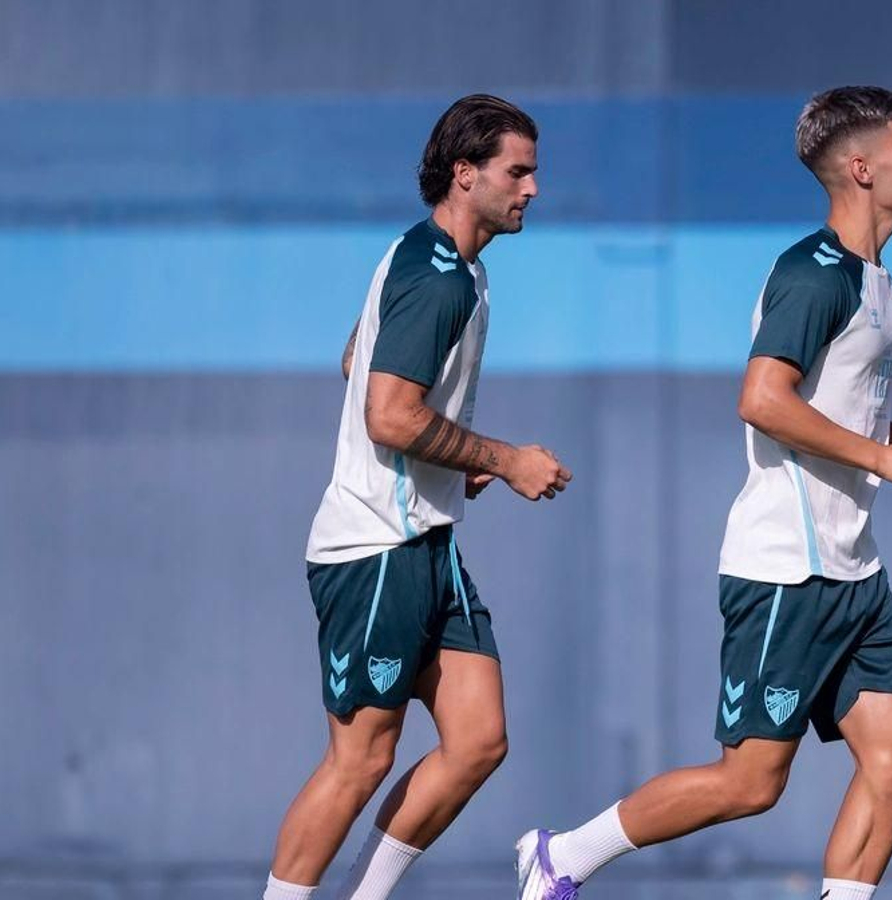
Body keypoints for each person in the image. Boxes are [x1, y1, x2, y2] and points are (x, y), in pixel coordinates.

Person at [516, 85, 892, 900]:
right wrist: (880, 455)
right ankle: (565, 856)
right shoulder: (813, 273)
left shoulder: (879, 287)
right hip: (786, 571)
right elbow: (761, 399)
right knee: (751, 783)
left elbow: (824, 416)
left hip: (854, 575)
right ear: (861, 169)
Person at [263, 94, 572, 900]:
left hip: (426, 539)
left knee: (477, 740)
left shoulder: (447, 265)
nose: (532, 188)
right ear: (464, 175)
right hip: (374, 549)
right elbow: (388, 412)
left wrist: (446, 459)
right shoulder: (437, 277)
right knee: (360, 759)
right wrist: (501, 458)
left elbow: (354, 366)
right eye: (518, 171)